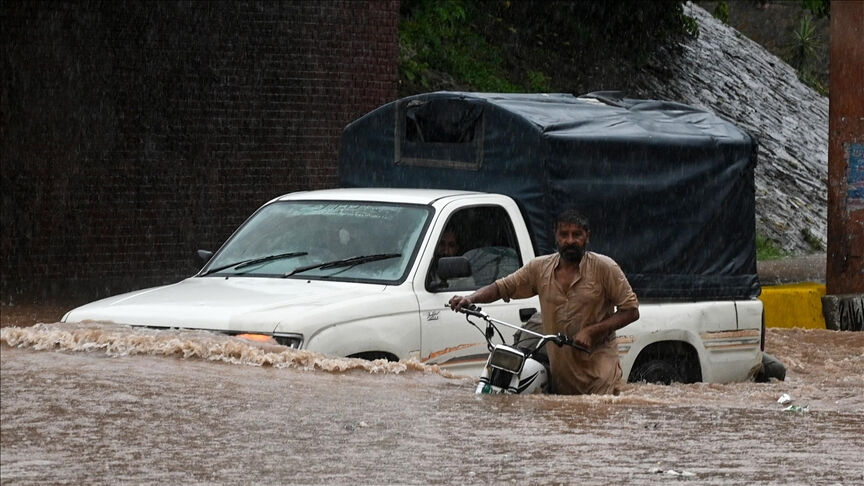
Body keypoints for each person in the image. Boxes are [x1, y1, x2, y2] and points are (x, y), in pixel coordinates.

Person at [449, 209, 639, 395]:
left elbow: (631, 310)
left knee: (598, 412)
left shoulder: (605, 267)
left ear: (587, 236)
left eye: (576, 235)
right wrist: (470, 299)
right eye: (564, 234)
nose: (570, 240)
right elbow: (502, 287)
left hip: (599, 377)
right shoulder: (540, 268)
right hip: (562, 377)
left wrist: (592, 331)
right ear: (555, 236)